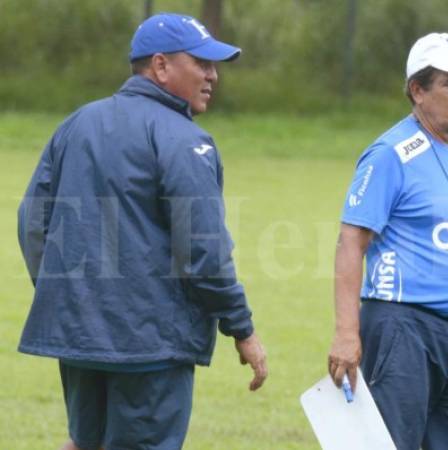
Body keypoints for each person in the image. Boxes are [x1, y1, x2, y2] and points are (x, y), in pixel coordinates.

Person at [17, 13, 267, 450]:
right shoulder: (186, 140)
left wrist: (68, 293)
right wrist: (242, 329)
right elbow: (204, 253)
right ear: (161, 66)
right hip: (149, 347)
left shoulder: (77, 122)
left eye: (215, 65)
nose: (212, 75)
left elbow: (32, 222)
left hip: (78, 337)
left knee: (83, 442)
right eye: (202, 63)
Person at [328, 33, 448, 449]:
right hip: (401, 331)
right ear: (417, 90)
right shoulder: (390, 154)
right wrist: (345, 333)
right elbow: (350, 243)